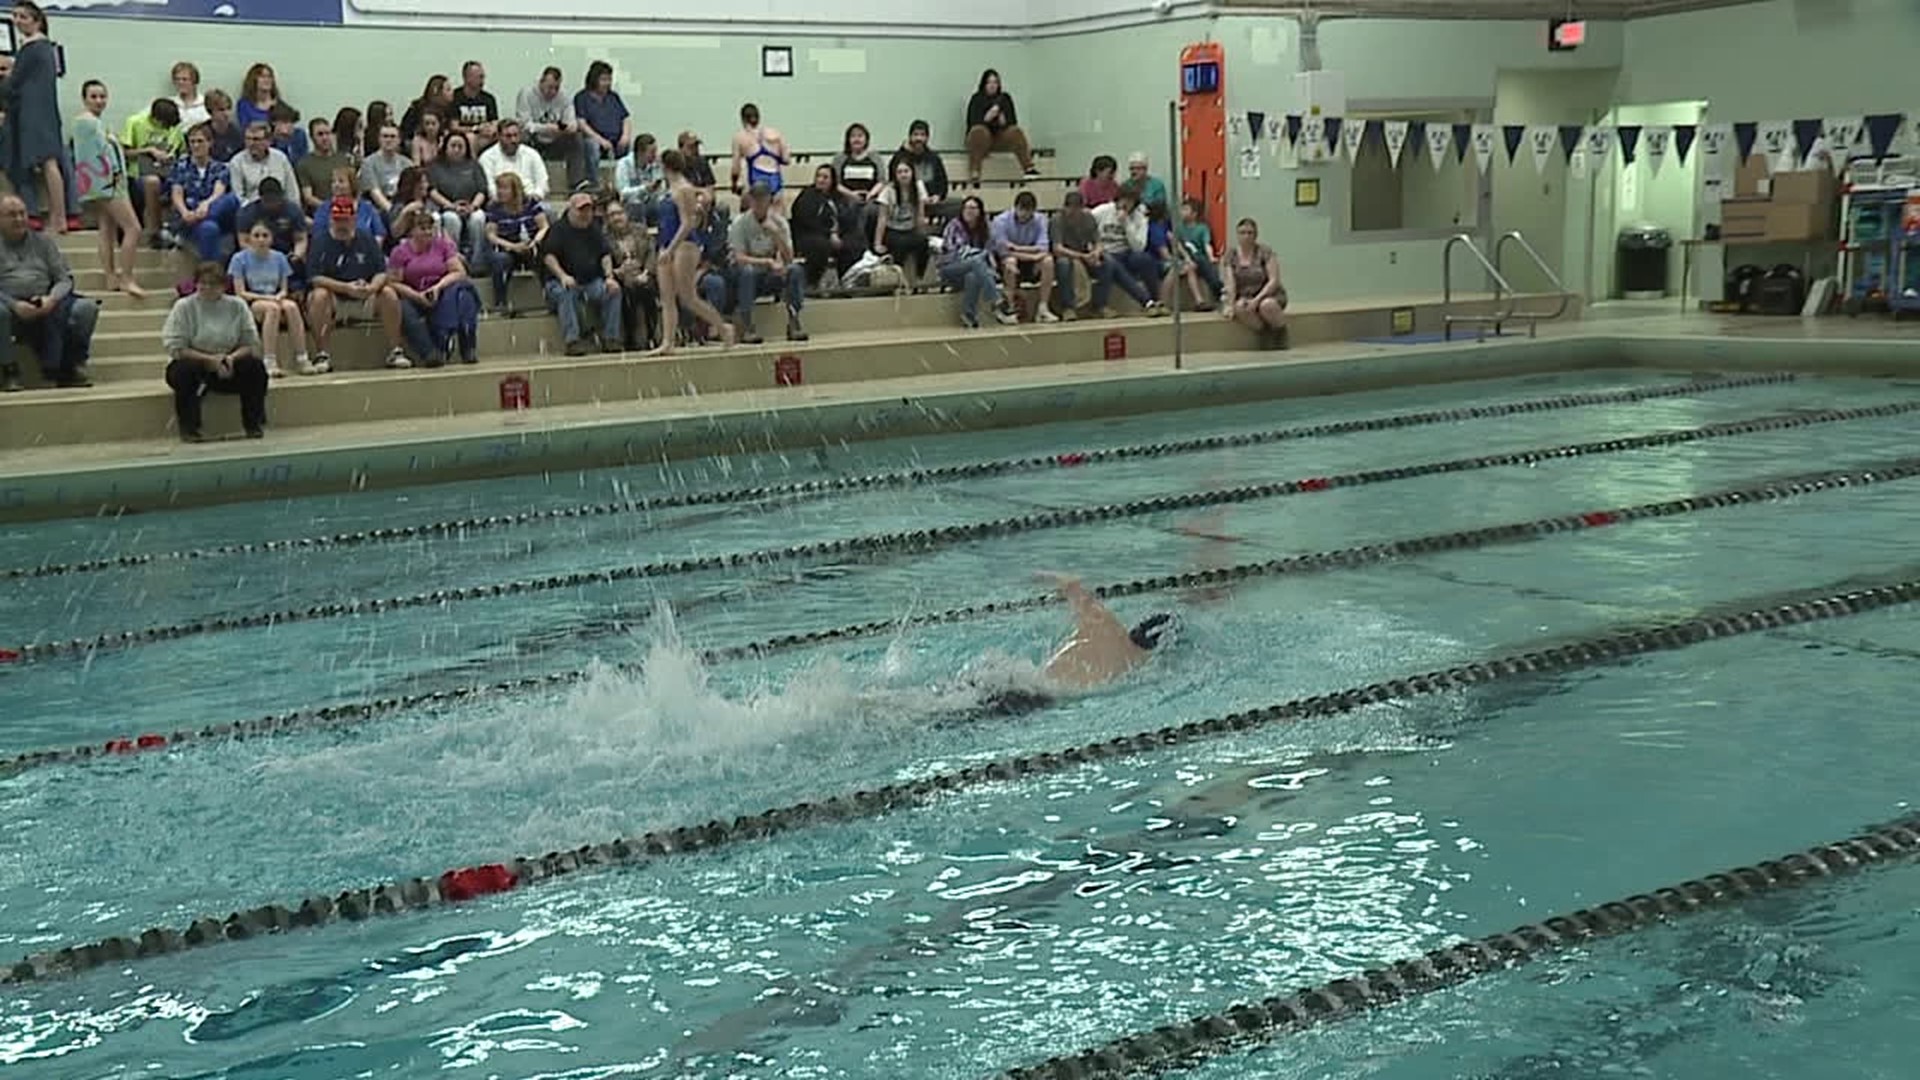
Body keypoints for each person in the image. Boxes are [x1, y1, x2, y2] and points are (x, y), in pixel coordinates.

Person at [162, 260, 267, 440]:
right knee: (183, 371)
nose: (207, 288)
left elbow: (250, 342)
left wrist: (230, 359)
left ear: (223, 286)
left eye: (213, 284)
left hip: (228, 362)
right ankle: (189, 428)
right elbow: (176, 346)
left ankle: (253, 424)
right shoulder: (184, 307)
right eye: (203, 283)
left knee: (255, 368)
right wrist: (208, 360)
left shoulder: (237, 306)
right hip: (195, 361)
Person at [0, 193, 95, 389]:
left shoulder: (43, 242)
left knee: (86, 308)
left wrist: (51, 299)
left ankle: (72, 366)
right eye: (11, 215)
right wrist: (14, 304)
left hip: (45, 301)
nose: (19, 219)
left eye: (22, 213)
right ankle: (9, 370)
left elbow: (64, 278)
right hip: (9, 305)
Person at [305, 196, 408, 371]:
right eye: (338, 220)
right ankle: (321, 353)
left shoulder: (366, 239)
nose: (342, 225)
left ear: (353, 219)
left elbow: (381, 272)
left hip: (364, 294)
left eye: (345, 220)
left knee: (388, 293)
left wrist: (371, 288)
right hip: (335, 297)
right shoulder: (320, 241)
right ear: (331, 219)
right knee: (318, 296)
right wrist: (345, 288)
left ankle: (395, 351)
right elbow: (315, 278)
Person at [653, 148, 734, 354]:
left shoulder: (684, 189)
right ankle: (667, 341)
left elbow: (688, 222)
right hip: (666, 243)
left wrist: (671, 248)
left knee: (687, 296)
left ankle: (723, 327)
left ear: (666, 166)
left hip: (684, 244)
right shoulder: (666, 189)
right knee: (667, 296)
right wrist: (664, 247)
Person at [70, 82, 146, 297]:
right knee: (133, 228)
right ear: (84, 99)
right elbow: (92, 158)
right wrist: (107, 184)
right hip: (106, 184)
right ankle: (127, 277)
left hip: (109, 182)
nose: (99, 101)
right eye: (93, 96)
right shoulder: (87, 123)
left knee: (107, 228)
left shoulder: (97, 123)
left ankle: (111, 276)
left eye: (102, 96)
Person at [1, 1, 68, 234]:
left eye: (23, 17)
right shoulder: (44, 47)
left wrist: (7, 74)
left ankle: (58, 218)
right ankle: (59, 216)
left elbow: (14, 84)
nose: (18, 21)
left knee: (48, 163)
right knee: (49, 163)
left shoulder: (32, 46)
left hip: (33, 113)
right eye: (15, 16)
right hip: (43, 111)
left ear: (36, 20)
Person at [387, 207, 480, 366]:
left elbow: (459, 272)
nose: (428, 232)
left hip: (441, 291)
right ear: (412, 231)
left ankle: (468, 347)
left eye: (431, 228)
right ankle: (429, 352)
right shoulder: (400, 252)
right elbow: (393, 282)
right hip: (413, 294)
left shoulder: (443, 246)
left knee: (464, 293)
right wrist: (417, 296)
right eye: (423, 229)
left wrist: (438, 287)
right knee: (404, 309)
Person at [540, 190, 622, 355]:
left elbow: (604, 254)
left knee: (613, 291)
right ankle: (573, 341)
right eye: (581, 210)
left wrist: (609, 277)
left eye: (589, 210)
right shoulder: (558, 229)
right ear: (570, 210)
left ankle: (611, 338)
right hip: (560, 281)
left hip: (590, 281)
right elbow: (548, 257)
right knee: (565, 293)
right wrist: (562, 276)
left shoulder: (594, 229)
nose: (585, 214)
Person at [229, 219, 312, 376]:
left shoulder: (279, 258)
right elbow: (241, 292)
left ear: (271, 238)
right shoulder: (239, 259)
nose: (261, 239)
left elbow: (284, 288)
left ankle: (302, 358)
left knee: (292, 307)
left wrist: (279, 296)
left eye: (265, 235)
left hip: (275, 298)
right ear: (249, 238)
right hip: (252, 301)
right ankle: (269, 360)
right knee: (272, 309)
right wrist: (268, 298)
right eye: (257, 235)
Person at [727, 181, 807, 343]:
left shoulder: (780, 223)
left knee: (795, 270)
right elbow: (739, 257)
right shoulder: (740, 223)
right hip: (746, 275)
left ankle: (794, 320)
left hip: (770, 275)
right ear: (750, 201)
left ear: (769, 200)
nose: (759, 203)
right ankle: (747, 325)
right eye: (755, 199)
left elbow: (788, 257)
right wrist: (767, 262)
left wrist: (776, 235)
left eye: (762, 199)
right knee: (747, 272)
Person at [938, 195, 1016, 329]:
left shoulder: (985, 228)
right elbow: (960, 252)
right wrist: (984, 256)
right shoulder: (954, 226)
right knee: (975, 262)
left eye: (973, 208)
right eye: (967, 208)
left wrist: (1007, 258)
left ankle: (968, 316)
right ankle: (996, 299)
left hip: (974, 270)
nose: (970, 211)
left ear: (980, 211)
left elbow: (997, 245)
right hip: (950, 268)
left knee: (973, 276)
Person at [1091, 184, 1166, 316]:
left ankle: (1155, 299)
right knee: (1112, 264)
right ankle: (1146, 302)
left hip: (1126, 254)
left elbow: (1139, 247)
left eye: (1130, 201)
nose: (1125, 204)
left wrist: (1127, 224)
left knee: (1145, 259)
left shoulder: (1140, 217)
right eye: (1123, 199)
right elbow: (1087, 227)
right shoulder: (1102, 211)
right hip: (1104, 253)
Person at [482, 170, 547, 312]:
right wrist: (512, 246)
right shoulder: (494, 208)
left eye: (504, 188)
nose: (500, 192)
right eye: (498, 188)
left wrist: (535, 242)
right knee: (499, 260)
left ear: (515, 190)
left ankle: (547, 297)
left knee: (547, 255)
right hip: (508, 247)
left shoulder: (530, 203)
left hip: (531, 245)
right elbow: (491, 235)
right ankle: (500, 301)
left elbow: (544, 226)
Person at [169, 123, 236, 263]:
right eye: (192, 142)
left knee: (230, 200)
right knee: (209, 228)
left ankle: (212, 272)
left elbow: (219, 192)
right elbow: (177, 192)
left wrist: (206, 205)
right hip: (188, 216)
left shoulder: (220, 168)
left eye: (200, 141)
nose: (196, 145)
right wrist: (185, 212)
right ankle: (211, 272)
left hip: (210, 212)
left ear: (210, 143)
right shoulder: (181, 165)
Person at [123, 97, 184, 247]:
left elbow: (182, 152)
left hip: (168, 170)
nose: (166, 129)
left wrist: (170, 156)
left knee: (182, 180)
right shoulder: (135, 122)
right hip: (140, 172)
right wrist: (149, 150)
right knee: (153, 182)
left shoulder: (175, 127)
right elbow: (123, 152)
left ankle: (177, 232)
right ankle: (154, 231)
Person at [990, 191, 1059, 323]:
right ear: (1015, 207)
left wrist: (1016, 248)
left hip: (1029, 260)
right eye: (1022, 210)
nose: (1025, 215)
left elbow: (1043, 247)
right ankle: (1009, 308)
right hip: (1009, 260)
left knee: (1048, 261)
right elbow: (1003, 251)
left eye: (1029, 212)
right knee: (1010, 262)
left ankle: (1043, 308)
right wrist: (1032, 255)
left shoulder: (1041, 220)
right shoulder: (1000, 221)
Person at [1221, 216, 1287, 346]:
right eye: (1242, 233)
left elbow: (1274, 280)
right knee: (1239, 308)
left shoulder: (1265, 252)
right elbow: (1230, 282)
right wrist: (1230, 304)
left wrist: (1257, 300)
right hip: (1245, 294)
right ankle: (1264, 333)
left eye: (1250, 233)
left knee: (1266, 306)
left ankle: (1280, 332)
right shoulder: (1231, 254)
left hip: (1268, 294)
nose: (1246, 236)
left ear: (1255, 235)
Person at [963, 68, 1038, 183]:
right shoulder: (977, 99)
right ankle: (975, 171)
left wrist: (1003, 121)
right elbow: (972, 124)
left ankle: (1029, 168)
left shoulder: (1004, 99)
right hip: (981, 140)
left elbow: (1012, 122)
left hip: (999, 138)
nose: (992, 85)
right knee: (979, 131)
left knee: (1016, 131)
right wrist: (987, 119)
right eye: (989, 82)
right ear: (984, 84)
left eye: (995, 82)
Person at [516, 65, 584, 184]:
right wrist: (547, 128)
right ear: (541, 82)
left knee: (576, 138)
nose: (553, 92)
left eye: (556, 88)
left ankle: (576, 183)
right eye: (549, 87)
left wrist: (570, 127)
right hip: (534, 140)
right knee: (520, 136)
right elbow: (525, 124)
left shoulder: (564, 96)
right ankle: (525, 181)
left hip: (556, 140)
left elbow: (571, 121)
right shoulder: (526, 94)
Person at [790, 163, 853, 291]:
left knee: (855, 243)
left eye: (825, 177)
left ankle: (847, 282)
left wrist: (839, 234)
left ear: (832, 181)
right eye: (818, 176)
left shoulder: (838, 198)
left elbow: (844, 218)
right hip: (807, 235)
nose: (820, 180)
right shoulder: (807, 195)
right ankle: (811, 283)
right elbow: (805, 220)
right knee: (821, 245)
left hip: (833, 235)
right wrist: (830, 234)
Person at [605, 200, 658, 351]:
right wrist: (617, 272)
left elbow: (652, 253)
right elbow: (602, 259)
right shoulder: (604, 237)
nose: (616, 218)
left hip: (643, 273)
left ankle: (652, 335)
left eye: (619, 213)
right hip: (620, 277)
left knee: (647, 289)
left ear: (626, 214)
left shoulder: (640, 230)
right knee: (628, 292)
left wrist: (646, 272)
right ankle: (630, 338)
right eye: (612, 215)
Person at [428, 131, 489, 262]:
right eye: (453, 146)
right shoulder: (435, 166)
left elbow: (482, 191)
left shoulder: (474, 165)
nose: (456, 149)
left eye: (460, 146)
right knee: (451, 219)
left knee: (479, 218)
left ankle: (478, 261)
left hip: (471, 206)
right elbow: (432, 191)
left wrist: (473, 206)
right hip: (446, 208)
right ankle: (453, 259)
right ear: (445, 147)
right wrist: (451, 206)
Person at [873, 157, 931, 286]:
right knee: (900, 245)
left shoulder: (918, 187)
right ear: (895, 174)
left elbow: (920, 215)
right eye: (900, 172)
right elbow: (882, 218)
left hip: (910, 228)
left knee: (923, 243)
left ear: (912, 172)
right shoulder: (888, 191)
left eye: (906, 171)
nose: (903, 174)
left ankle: (920, 277)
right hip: (893, 229)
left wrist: (922, 233)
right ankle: (898, 281)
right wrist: (877, 243)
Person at [574, 60, 631, 184]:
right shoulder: (582, 98)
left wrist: (625, 136)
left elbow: (625, 118)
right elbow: (582, 123)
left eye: (609, 79)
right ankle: (594, 183)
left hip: (616, 140)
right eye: (603, 80)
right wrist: (600, 140)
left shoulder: (613, 97)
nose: (607, 83)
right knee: (592, 146)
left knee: (629, 148)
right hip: (595, 140)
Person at [1051, 189, 1102, 318]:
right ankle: (1068, 307)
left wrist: (1096, 253)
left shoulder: (1088, 218)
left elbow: (1098, 241)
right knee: (1064, 264)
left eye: (1076, 210)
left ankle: (1100, 305)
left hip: (1084, 254)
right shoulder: (1057, 220)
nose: (1073, 213)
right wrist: (1081, 256)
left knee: (1109, 262)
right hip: (1065, 256)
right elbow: (1057, 248)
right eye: (1070, 209)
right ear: (1065, 207)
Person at [831, 123, 882, 251]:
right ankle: (855, 246)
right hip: (846, 198)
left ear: (866, 139)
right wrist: (852, 194)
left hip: (870, 197)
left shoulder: (875, 158)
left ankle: (865, 246)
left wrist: (870, 194)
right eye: (853, 136)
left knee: (870, 210)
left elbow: (882, 181)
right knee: (851, 209)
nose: (857, 139)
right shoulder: (840, 158)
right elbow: (835, 183)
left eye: (860, 136)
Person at [229, 122, 297, 208]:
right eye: (248, 139)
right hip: (252, 211)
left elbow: (292, 192)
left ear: (268, 141)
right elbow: (237, 197)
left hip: (281, 209)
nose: (251, 143)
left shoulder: (281, 158)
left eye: (256, 139)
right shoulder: (237, 162)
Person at [478, 119, 549, 202]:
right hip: (501, 202)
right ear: (499, 136)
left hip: (530, 200)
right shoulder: (487, 157)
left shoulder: (532, 154)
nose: (513, 140)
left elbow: (543, 182)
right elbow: (490, 187)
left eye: (516, 135)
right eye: (508, 136)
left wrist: (536, 195)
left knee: (548, 210)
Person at [1170, 197, 1221, 311]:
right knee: (1191, 267)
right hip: (1184, 259)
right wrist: (1186, 258)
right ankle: (1200, 301)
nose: (1181, 212)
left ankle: (1217, 287)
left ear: (1194, 214)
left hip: (1199, 258)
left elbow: (1207, 244)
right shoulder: (1178, 228)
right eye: (1181, 209)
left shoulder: (1202, 228)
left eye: (1185, 209)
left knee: (1202, 262)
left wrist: (1211, 257)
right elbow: (1176, 245)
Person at [294, 115, 353, 214]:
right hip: (321, 212)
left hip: (347, 210)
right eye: (320, 134)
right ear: (312, 137)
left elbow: (353, 189)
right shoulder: (304, 164)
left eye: (328, 133)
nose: (325, 138)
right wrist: (332, 208)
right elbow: (308, 197)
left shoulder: (343, 159)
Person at [895, 119, 953, 219]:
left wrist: (937, 196)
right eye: (915, 134)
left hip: (932, 202)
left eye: (922, 135)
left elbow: (943, 184)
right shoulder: (900, 157)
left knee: (958, 205)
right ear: (910, 137)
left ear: (927, 138)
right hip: (908, 202)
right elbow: (894, 180)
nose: (919, 138)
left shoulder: (934, 158)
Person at [730, 103, 787, 201]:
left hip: (755, 181)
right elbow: (786, 159)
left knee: (750, 213)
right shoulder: (775, 133)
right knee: (776, 214)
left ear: (743, 119)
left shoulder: (740, 138)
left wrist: (734, 185)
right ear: (758, 118)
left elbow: (736, 168)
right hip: (775, 181)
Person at [358, 124, 412, 223]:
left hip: (402, 206)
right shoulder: (369, 163)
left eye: (392, 136)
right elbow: (375, 193)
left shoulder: (407, 163)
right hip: (378, 208)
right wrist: (393, 212)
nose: (388, 140)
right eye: (385, 136)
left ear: (399, 140)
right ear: (379, 139)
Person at [449, 60, 499, 152]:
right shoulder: (455, 97)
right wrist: (475, 129)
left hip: (484, 136)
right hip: (463, 136)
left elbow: (494, 122)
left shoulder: (489, 98)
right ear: (467, 78)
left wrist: (491, 129)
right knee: (471, 138)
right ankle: (472, 165)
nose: (482, 81)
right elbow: (454, 127)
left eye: (483, 77)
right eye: (480, 77)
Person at [615, 133, 665, 225]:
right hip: (630, 205)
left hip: (650, 204)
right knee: (636, 206)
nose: (655, 155)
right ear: (640, 152)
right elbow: (622, 192)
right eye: (652, 152)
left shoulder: (655, 165)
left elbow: (660, 192)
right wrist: (644, 189)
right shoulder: (624, 164)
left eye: (655, 151)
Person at [398, 74, 451, 143]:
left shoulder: (450, 109)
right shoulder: (417, 107)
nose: (452, 92)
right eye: (448, 89)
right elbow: (406, 129)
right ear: (436, 91)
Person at [236, 62, 283, 131]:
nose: (267, 80)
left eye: (269, 77)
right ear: (253, 80)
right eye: (262, 77)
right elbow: (246, 126)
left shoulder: (279, 105)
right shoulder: (244, 104)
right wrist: (270, 124)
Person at [203, 89, 244, 162]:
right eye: (221, 110)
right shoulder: (202, 133)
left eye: (228, 109)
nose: (226, 114)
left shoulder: (238, 132)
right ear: (210, 112)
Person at [169, 60, 210, 129]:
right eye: (177, 79)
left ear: (194, 81)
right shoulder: (170, 104)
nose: (180, 82)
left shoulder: (205, 104)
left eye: (184, 79)